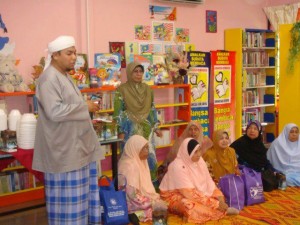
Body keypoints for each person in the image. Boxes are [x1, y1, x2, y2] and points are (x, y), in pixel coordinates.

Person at [32, 35, 104, 225]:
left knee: (82, 201)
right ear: (55, 55)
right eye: (69, 53)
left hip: (77, 148)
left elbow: (69, 109)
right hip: (63, 152)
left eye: (75, 53)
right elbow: (55, 112)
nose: (74, 57)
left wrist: (86, 112)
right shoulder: (48, 79)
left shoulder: (63, 76)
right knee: (69, 207)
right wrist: (85, 107)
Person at [159, 138, 238, 224]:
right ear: (187, 153)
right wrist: (216, 204)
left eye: (199, 151)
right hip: (173, 195)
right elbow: (189, 194)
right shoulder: (177, 166)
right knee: (189, 206)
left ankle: (217, 208)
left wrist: (220, 199)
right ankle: (221, 211)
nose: (199, 154)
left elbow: (209, 182)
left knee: (216, 195)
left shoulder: (200, 161)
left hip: (195, 193)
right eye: (195, 152)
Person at [113, 61, 162, 185]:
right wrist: (120, 130)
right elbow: (118, 112)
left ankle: (150, 187)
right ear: (130, 72)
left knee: (149, 157)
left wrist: (155, 127)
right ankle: (131, 189)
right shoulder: (121, 90)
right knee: (131, 160)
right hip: (129, 129)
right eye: (135, 71)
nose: (138, 74)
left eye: (141, 71)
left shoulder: (148, 89)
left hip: (146, 129)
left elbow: (152, 108)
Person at [118, 135, 167, 225]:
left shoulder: (139, 161)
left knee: (161, 206)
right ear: (135, 148)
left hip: (139, 201)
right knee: (158, 211)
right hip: (129, 204)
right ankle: (133, 216)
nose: (147, 151)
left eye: (148, 148)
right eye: (144, 148)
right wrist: (151, 202)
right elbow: (132, 195)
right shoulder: (129, 165)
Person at [230, 120, 278, 191]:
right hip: (244, 172)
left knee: (272, 182)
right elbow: (232, 158)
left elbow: (264, 161)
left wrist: (273, 171)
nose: (252, 131)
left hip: (258, 171)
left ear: (259, 132)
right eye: (249, 128)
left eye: (255, 129)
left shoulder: (260, 145)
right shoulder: (239, 143)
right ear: (246, 130)